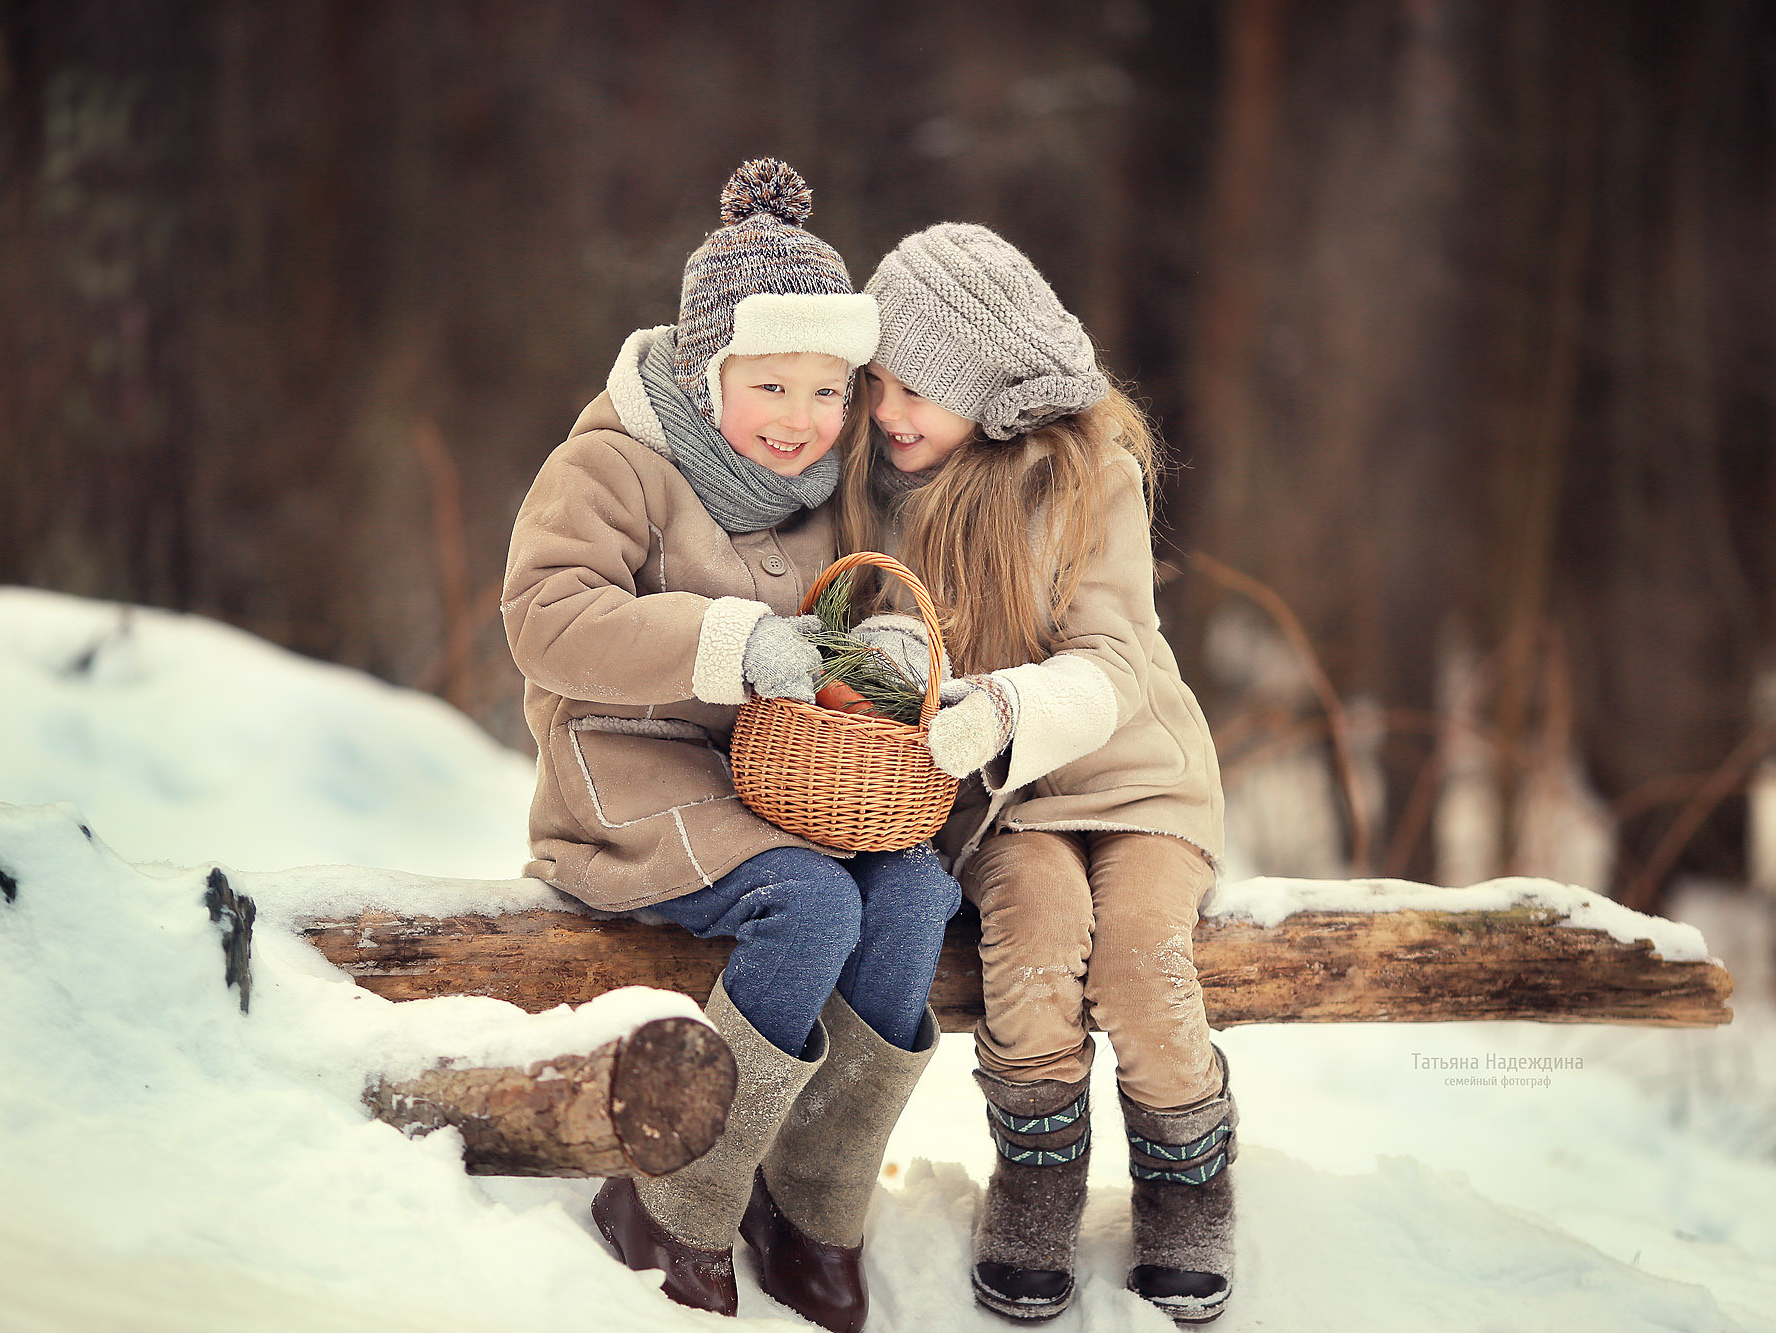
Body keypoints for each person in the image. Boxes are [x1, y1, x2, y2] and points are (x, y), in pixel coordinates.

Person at [500, 160, 961, 1333]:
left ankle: (810, 1198)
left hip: (777, 782)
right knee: (810, 904)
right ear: (708, 374)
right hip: (632, 778)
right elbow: (545, 618)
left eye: (826, 390)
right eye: (770, 385)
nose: (800, 417)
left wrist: (883, 653)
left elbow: (856, 608)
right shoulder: (611, 464)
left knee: (915, 891)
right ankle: (674, 1197)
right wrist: (726, 642)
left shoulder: (827, 488)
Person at [836, 222, 1237, 1325]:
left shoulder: (1089, 477)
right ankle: (1038, 1171)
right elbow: (883, 630)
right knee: (1034, 938)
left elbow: (1112, 657)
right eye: (878, 383)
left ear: (984, 384)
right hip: (1004, 803)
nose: (888, 410)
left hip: (1138, 780)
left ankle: (1187, 1179)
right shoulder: (882, 488)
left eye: (916, 388)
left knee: (1140, 957)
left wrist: (1008, 707)